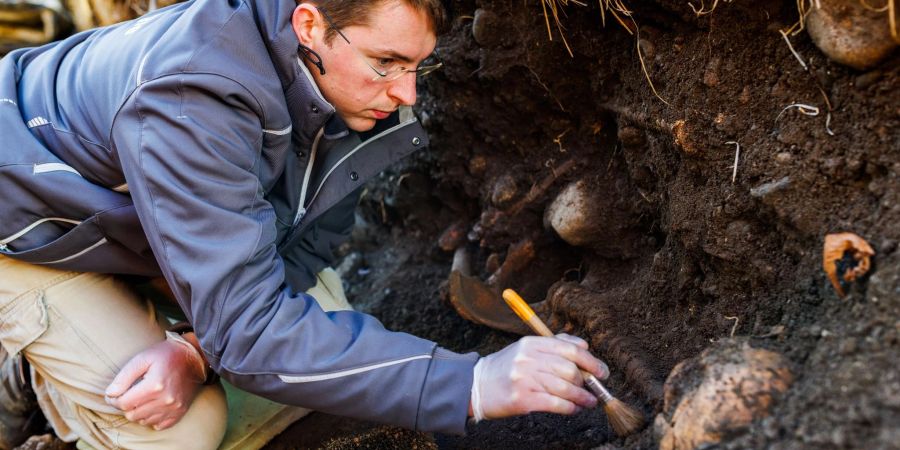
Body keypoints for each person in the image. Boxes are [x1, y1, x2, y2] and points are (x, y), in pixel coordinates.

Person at [0, 0, 610, 448]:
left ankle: (75, 353)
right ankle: (36, 383)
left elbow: (304, 244)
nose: (407, 94)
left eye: (416, 66)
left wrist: (193, 349)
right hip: (28, 226)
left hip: (123, 217)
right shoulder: (194, 96)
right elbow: (249, 333)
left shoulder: (348, 85)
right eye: (386, 63)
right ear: (310, 24)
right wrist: (474, 382)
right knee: (184, 431)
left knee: (320, 319)